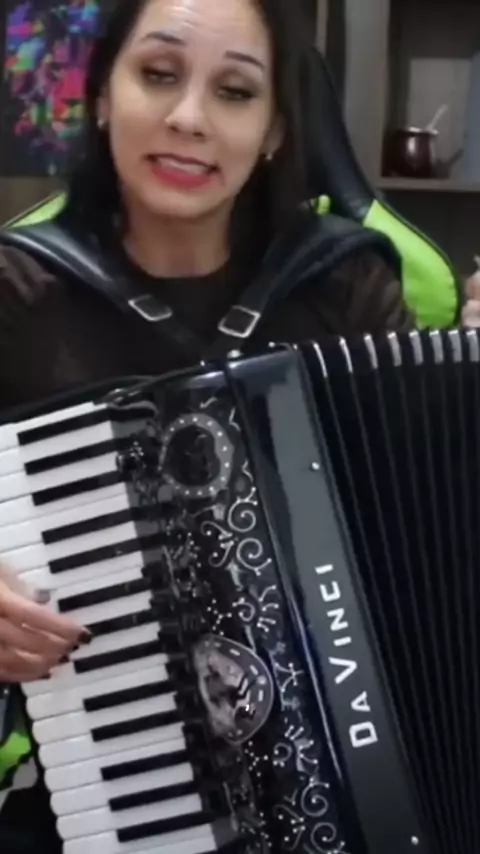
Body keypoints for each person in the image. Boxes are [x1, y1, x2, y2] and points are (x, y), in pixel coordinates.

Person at [0, 0, 413, 849]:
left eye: (235, 91)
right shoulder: (21, 295)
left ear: (274, 130)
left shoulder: (344, 288)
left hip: (353, 781)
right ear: (103, 95)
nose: (189, 118)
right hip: (109, 783)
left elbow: (432, 511)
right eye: (158, 74)